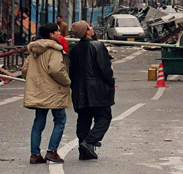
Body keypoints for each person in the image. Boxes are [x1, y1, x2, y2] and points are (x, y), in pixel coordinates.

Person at [22, 22, 72, 164]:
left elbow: (25, 70)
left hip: (39, 91)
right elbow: (56, 70)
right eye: (57, 32)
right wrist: (67, 81)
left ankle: (35, 154)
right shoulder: (55, 51)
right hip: (54, 91)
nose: (60, 34)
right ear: (51, 35)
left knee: (38, 122)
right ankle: (52, 151)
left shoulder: (33, 50)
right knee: (60, 120)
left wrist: (35, 81)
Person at [69, 21, 115, 160]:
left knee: (84, 118)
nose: (92, 28)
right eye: (90, 27)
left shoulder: (74, 50)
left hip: (79, 90)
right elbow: (105, 69)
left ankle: (83, 150)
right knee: (104, 117)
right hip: (97, 89)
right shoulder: (97, 46)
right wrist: (110, 83)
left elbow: (71, 72)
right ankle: (89, 142)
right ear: (86, 31)